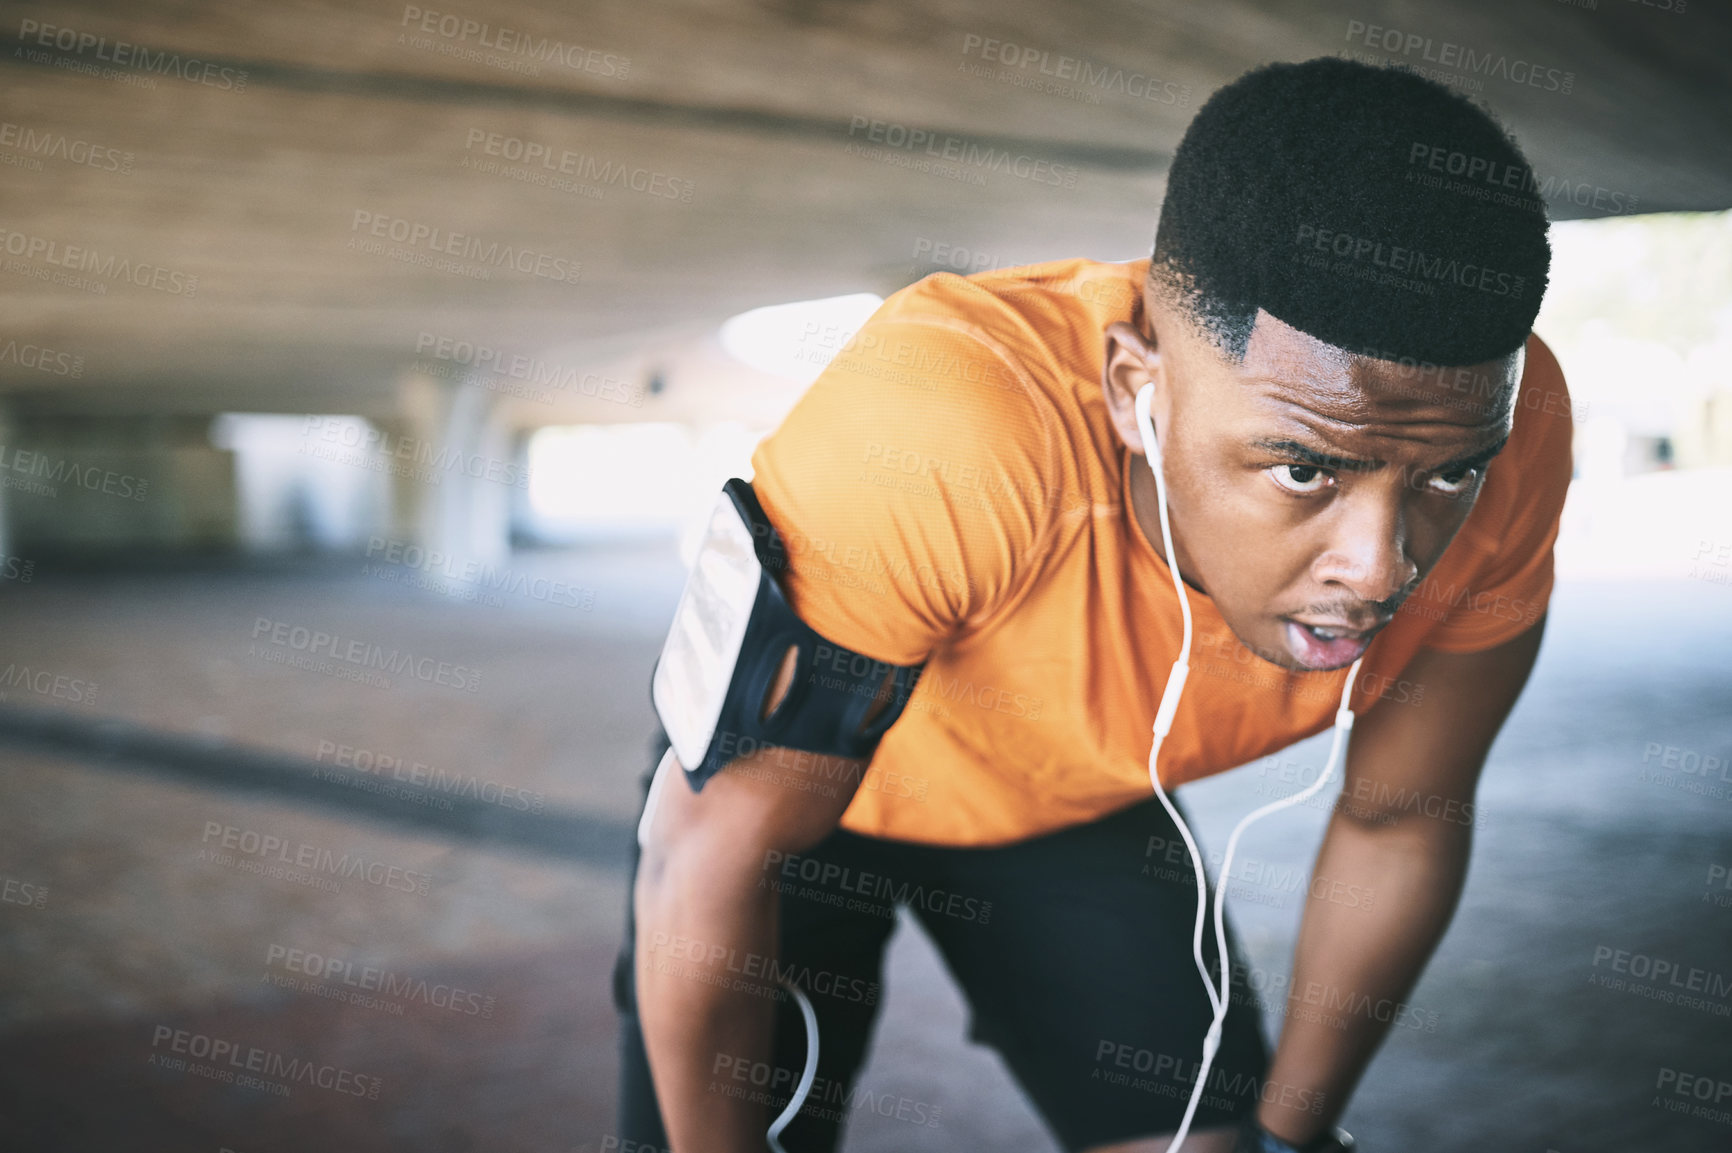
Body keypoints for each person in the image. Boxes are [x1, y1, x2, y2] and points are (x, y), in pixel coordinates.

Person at [615, 56, 1572, 1153]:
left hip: (1065, 799)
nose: (1378, 568)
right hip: (800, 813)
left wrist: (1292, 1138)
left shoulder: (1510, 434)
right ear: (1135, 391)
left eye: (1444, 475)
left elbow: (1399, 819)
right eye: (1305, 468)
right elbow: (711, 852)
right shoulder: (945, 421)